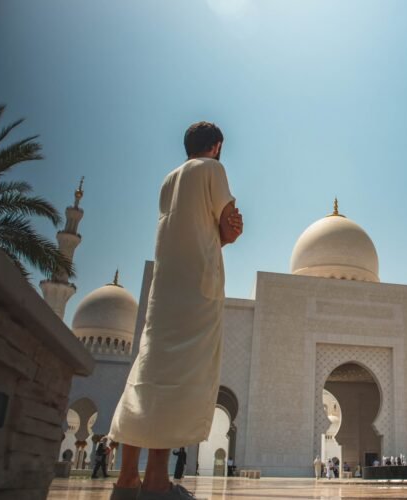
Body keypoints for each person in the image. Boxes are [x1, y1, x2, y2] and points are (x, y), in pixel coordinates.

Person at [107, 122, 244, 500]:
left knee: (148, 372)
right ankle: (155, 480)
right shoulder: (213, 169)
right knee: (178, 377)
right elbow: (228, 228)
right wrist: (233, 226)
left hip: (164, 288)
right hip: (197, 288)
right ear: (216, 146)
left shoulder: (168, 180)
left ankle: (126, 479)